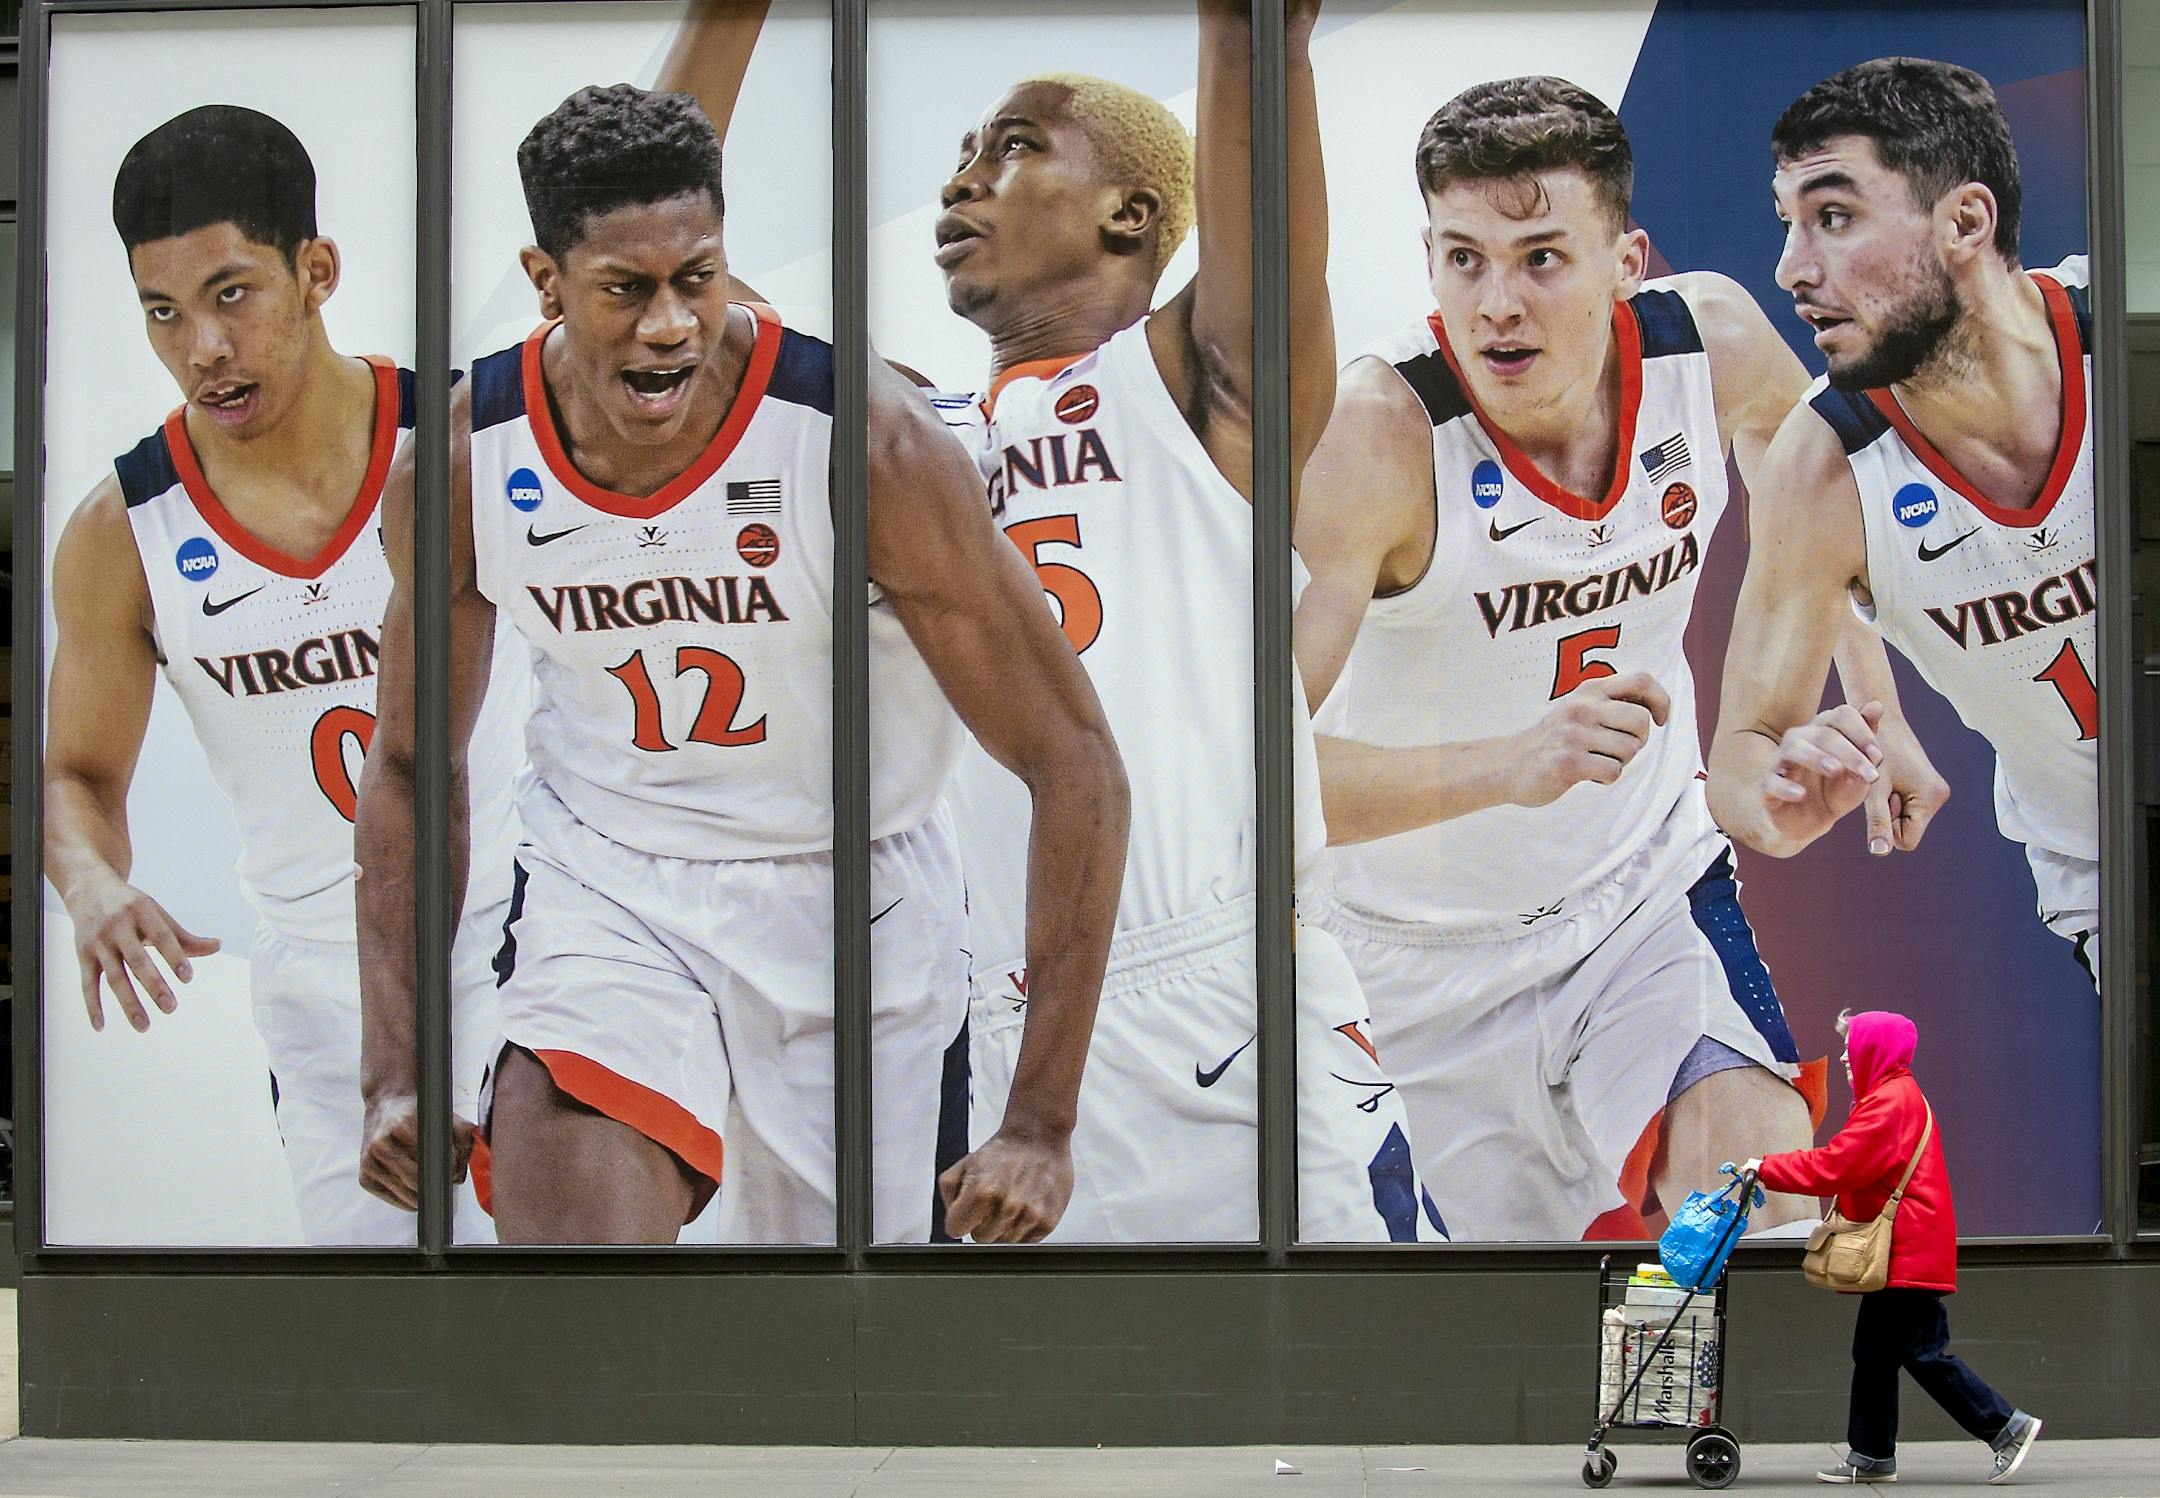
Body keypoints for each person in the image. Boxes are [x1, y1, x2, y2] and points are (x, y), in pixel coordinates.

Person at [353, 73, 1129, 1245]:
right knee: (574, 1285)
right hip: (609, 885)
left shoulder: (866, 445)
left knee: (823, 1372)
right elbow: (413, 767)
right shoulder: (460, 466)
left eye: (696, 279)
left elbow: (1075, 762)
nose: (668, 324)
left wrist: (1041, 1122)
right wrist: (395, 1066)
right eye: (626, 289)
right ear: (545, 282)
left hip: (848, 896)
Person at [914, 0, 1435, 1242]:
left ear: (1131, 215)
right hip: (994, 1021)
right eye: (963, 151)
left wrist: (1255, 36)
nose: (963, 177)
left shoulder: (1192, 385)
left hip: (1226, 993)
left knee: (1352, 1411)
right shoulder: (904, 431)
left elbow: (1269, 230)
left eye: (1014, 146)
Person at [1293, 75, 1842, 1241]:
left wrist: (1863, 715)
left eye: (1542, 257)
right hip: (1405, 970)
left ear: (1627, 259)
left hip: (1634, 900)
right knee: (1479, 1377)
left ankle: (1725, 1430)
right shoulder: (1378, 440)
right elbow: (1250, 771)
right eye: (1464, 258)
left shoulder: (1713, 345)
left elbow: (1833, 508)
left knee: (1762, 1214)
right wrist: (1507, 763)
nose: (1498, 303)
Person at [43, 104, 521, 1245]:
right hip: (320, 973)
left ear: (317, 272)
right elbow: (71, 776)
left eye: (230, 295)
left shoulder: (466, 438)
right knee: (382, 1352)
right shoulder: (123, 530)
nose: (202, 348)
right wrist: (93, 884)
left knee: (568, 1289)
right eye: (163, 313)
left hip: (522, 924)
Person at [1707, 58, 2096, 986]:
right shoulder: (1823, 469)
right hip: (2106, 871)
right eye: (1789, 226)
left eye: (1833, 218)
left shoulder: (2122, 339)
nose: (1792, 270)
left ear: (1964, 220)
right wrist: (1777, 799)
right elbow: (1742, 750)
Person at [1744, 1010, 2042, 1485]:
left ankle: (2006, 1427)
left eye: (1851, 1045)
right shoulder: (1892, 1097)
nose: (1843, 1055)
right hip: (1905, 1250)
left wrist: (1768, 1166)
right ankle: (1872, 1454)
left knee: (1924, 1353)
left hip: (1905, 1252)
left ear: (1874, 1049)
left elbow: (1838, 1165)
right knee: (1876, 1353)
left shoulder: (1890, 1102)